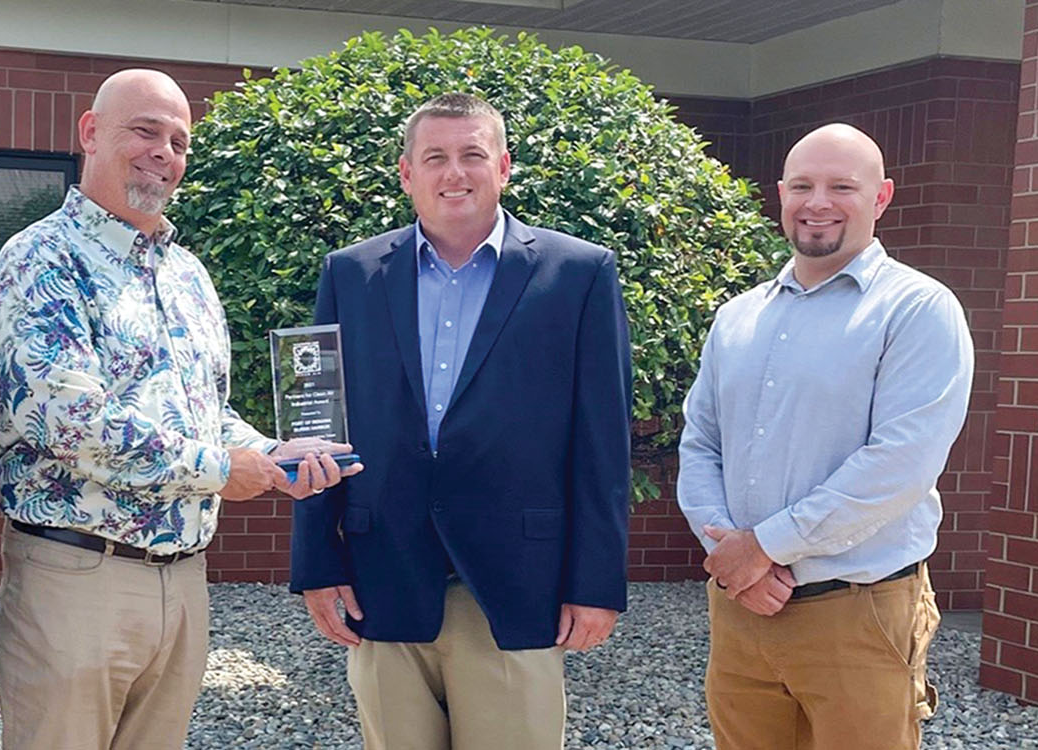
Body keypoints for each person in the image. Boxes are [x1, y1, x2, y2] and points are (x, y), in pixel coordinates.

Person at [0, 68, 357, 750]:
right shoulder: (40, 260)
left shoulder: (186, 274)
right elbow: (72, 424)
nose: (165, 153)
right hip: (76, 581)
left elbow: (207, 411)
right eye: (145, 131)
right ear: (91, 134)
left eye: (179, 141)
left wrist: (273, 454)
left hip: (182, 582)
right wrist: (221, 470)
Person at [290, 93, 633, 749]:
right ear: (406, 174)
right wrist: (316, 562)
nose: (455, 173)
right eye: (436, 157)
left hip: (517, 584)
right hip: (382, 577)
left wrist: (596, 585)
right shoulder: (350, 274)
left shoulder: (580, 274)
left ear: (503, 167)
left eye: (472, 155)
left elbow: (602, 446)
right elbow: (317, 424)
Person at [677, 122, 974, 750]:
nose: (818, 203)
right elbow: (700, 444)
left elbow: (899, 464)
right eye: (803, 186)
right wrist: (733, 552)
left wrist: (765, 548)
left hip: (858, 614)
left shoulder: (917, 310)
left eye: (842, 186)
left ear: (882, 197)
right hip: (740, 609)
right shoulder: (738, 317)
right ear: (781, 194)